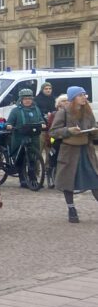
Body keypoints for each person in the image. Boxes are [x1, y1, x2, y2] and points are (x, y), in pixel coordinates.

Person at [48, 86, 98, 223]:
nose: (84, 97)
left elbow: (93, 127)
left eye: (84, 94)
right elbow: (53, 132)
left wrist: (94, 131)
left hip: (87, 151)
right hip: (69, 151)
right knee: (68, 182)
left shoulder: (88, 112)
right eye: (80, 95)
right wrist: (68, 130)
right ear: (73, 98)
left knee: (95, 180)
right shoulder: (63, 112)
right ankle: (71, 209)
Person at [7, 89, 46, 188]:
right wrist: (9, 126)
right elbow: (9, 122)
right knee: (21, 158)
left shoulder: (36, 109)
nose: (27, 101)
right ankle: (23, 179)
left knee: (33, 159)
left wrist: (43, 124)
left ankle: (33, 179)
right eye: (25, 99)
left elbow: (41, 119)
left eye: (29, 98)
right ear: (21, 99)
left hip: (33, 137)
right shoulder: (15, 111)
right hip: (20, 137)